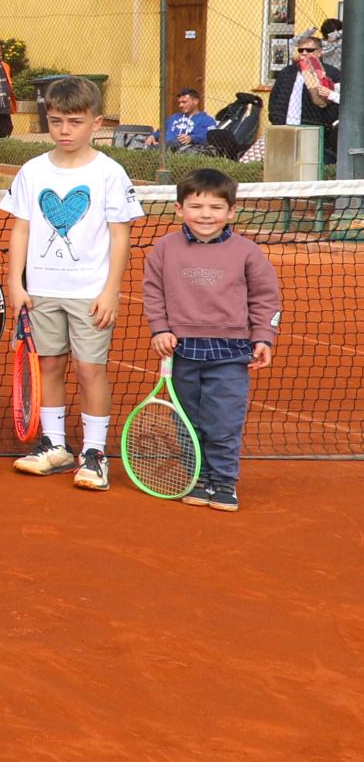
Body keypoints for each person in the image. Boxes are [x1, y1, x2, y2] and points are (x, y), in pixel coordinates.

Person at [4, 77, 142, 489]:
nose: (64, 130)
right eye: (56, 121)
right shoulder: (32, 171)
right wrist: (16, 283)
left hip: (90, 293)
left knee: (89, 369)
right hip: (41, 291)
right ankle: (55, 445)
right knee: (49, 365)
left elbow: (120, 235)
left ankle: (94, 453)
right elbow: (20, 229)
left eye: (75, 122)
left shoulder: (110, 173)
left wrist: (110, 290)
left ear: (96, 123)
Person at [144, 167, 281, 512]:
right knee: (187, 423)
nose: (206, 214)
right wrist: (160, 329)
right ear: (179, 208)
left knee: (223, 423)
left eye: (216, 207)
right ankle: (198, 478)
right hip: (182, 354)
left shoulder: (247, 251)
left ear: (231, 211)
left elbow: (265, 298)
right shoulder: (164, 249)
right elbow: (153, 293)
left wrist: (263, 337)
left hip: (231, 354)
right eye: (196, 206)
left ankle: (223, 482)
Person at [267, 30, 341, 171]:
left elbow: (337, 102)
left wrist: (326, 124)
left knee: (309, 167)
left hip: (315, 131)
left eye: (309, 50)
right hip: (285, 128)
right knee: (284, 166)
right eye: (301, 50)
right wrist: (275, 119)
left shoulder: (331, 74)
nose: (304, 53)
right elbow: (275, 98)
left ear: (319, 52)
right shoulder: (287, 72)